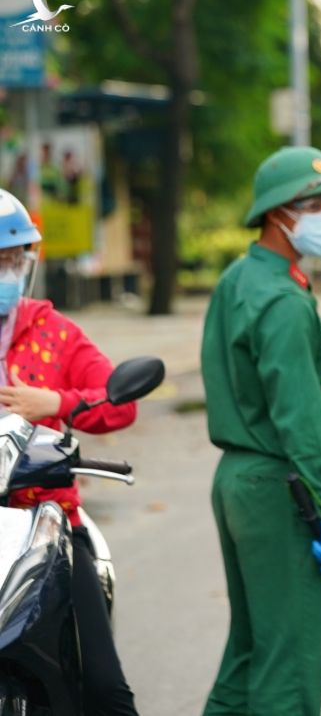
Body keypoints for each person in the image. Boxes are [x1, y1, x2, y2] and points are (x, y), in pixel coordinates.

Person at [200, 146, 321, 716]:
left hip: (239, 479)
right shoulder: (284, 300)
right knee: (289, 657)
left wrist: (318, 379)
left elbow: (250, 379)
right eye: (318, 204)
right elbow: (302, 424)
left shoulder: (241, 278)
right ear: (279, 213)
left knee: (251, 648)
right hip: (281, 485)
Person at [0, 188, 139, 716]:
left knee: (105, 688)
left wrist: (55, 401)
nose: (7, 273)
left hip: (47, 523)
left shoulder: (55, 333)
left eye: (15, 261)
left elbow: (116, 403)